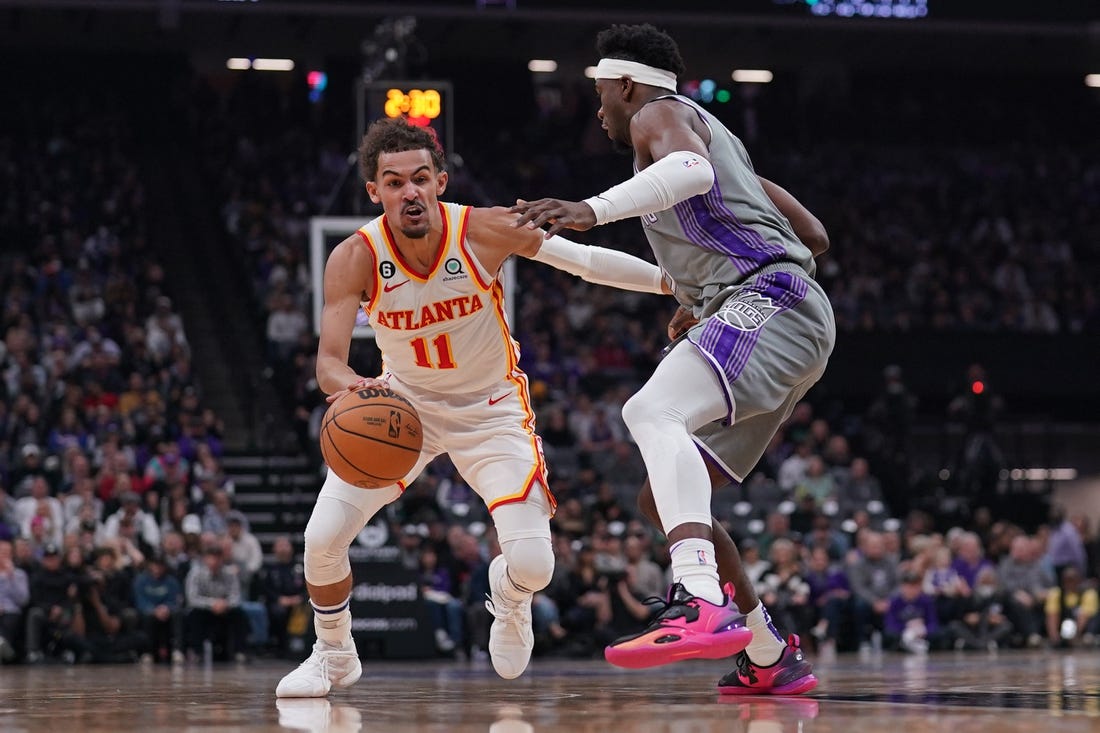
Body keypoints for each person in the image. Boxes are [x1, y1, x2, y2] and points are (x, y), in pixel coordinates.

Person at [276, 117, 674, 698]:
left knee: (536, 565)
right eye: (394, 183)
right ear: (375, 191)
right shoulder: (354, 256)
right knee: (321, 540)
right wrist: (361, 390)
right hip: (403, 408)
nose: (409, 192)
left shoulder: (485, 229)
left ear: (440, 181)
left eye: (420, 178)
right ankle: (333, 653)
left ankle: (509, 596)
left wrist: (673, 285)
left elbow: (586, 262)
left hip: (491, 410)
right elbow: (328, 366)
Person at [512, 23, 832, 693]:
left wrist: (590, 209)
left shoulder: (659, 115)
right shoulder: (727, 150)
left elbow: (691, 172)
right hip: (782, 308)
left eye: (601, 94)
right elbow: (814, 235)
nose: (599, 111)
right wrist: (701, 291)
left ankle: (698, 597)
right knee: (664, 498)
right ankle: (768, 654)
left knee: (651, 409)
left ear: (628, 86)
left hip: (770, 298)